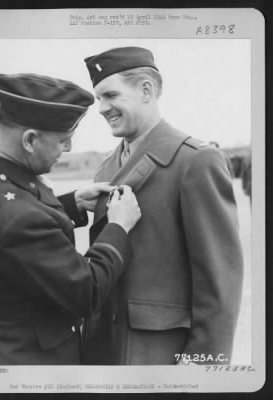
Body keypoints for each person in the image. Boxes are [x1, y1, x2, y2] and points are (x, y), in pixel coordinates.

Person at [83, 47, 244, 365]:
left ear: (146, 91)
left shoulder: (195, 161)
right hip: (104, 350)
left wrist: (203, 363)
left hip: (160, 353)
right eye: (98, 98)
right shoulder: (105, 167)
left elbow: (220, 280)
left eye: (110, 95)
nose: (101, 108)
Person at [0, 73, 141, 365]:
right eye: (63, 140)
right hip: (33, 366)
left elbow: (18, 223)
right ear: (30, 140)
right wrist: (118, 227)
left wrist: (73, 203)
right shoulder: (17, 218)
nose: (68, 149)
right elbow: (86, 291)